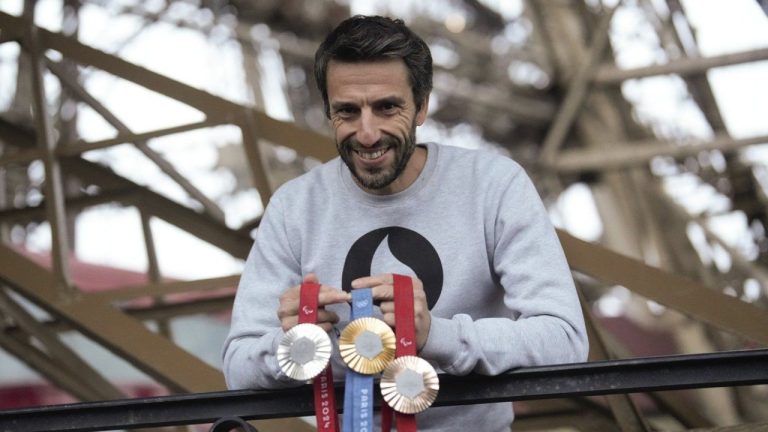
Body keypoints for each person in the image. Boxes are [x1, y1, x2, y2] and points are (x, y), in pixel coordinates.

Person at [222, 15, 588, 431]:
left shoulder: (493, 185)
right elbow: (238, 366)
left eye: (386, 107)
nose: (367, 133)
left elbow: (564, 341)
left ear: (422, 105)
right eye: (347, 111)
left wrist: (435, 335)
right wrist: (296, 348)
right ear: (328, 112)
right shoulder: (294, 207)